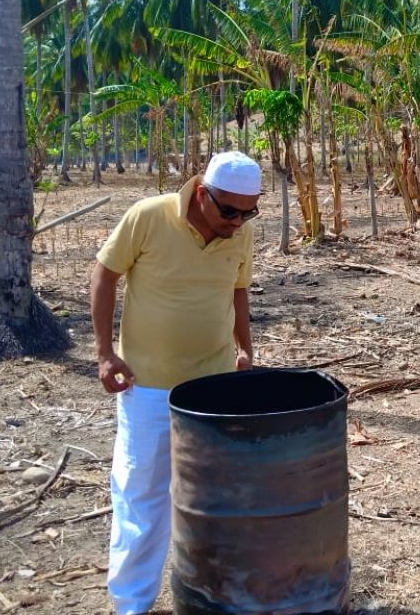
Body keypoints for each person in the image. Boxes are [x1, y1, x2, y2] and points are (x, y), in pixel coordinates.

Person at [90, 151, 262, 615]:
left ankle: (213, 598)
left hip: (216, 388)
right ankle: (131, 605)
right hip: (148, 386)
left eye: (250, 212)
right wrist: (106, 354)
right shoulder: (148, 217)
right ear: (202, 193)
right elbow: (105, 274)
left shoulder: (240, 233)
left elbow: (238, 290)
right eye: (229, 211)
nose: (238, 222)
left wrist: (245, 349)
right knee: (141, 495)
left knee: (216, 498)